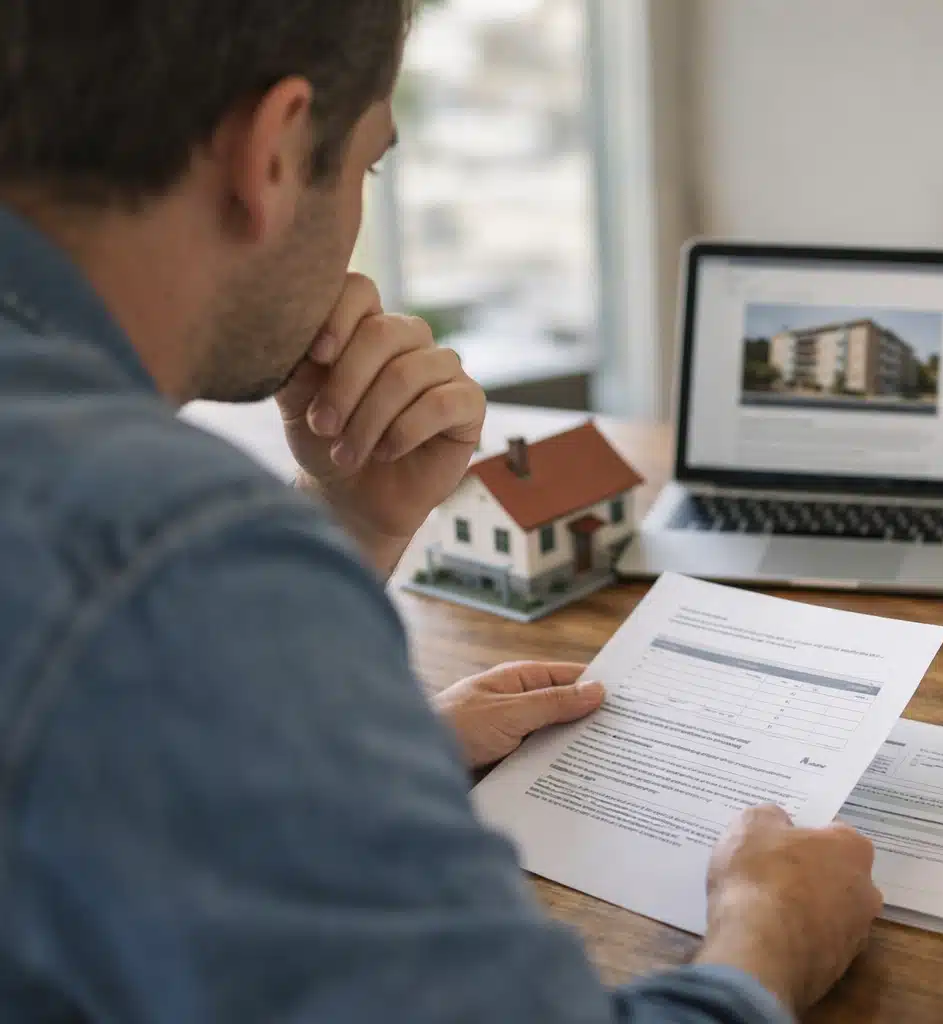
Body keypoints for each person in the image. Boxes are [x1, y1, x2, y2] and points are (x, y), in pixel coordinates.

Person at [0, 3, 882, 1021]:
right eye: (370, 164)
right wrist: (770, 934)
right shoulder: (171, 563)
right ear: (275, 151)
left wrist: (350, 533)